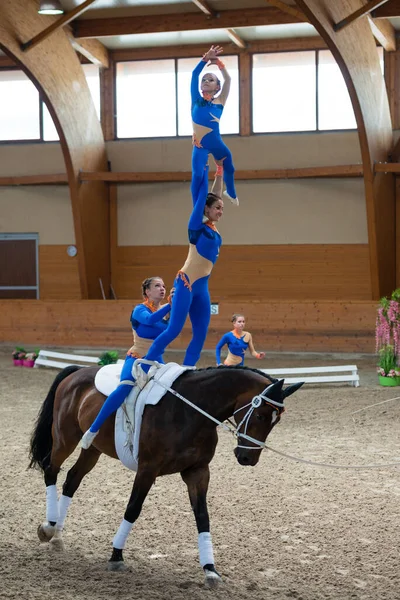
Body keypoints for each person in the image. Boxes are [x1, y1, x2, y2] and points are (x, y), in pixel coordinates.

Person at [81, 277, 173, 449]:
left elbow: (173, 327)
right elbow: (151, 320)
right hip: (137, 357)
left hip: (157, 360)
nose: (162, 289)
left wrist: (178, 303)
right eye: (157, 286)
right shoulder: (139, 309)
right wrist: (170, 305)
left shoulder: (167, 313)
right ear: (147, 291)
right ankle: (93, 429)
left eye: (164, 286)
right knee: (125, 386)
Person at [191, 44, 239, 206]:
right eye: (204, 80)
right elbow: (195, 73)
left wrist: (218, 63)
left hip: (216, 142)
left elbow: (229, 79)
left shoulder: (220, 101)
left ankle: (231, 192)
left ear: (217, 87)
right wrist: (205, 59)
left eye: (210, 80)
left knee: (229, 165)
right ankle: (198, 207)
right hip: (200, 145)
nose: (205, 81)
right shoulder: (195, 99)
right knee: (198, 175)